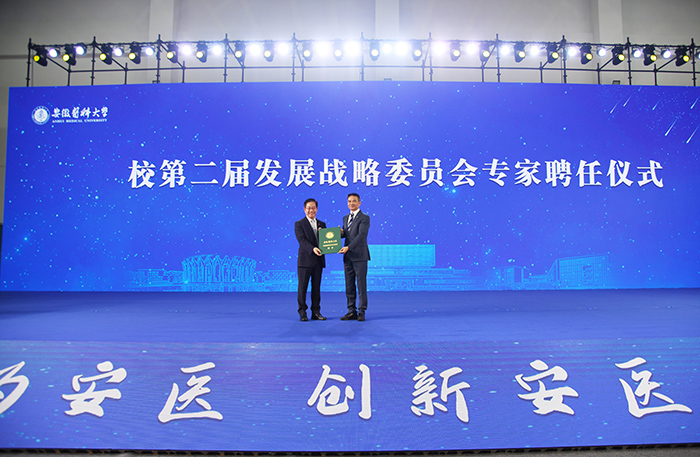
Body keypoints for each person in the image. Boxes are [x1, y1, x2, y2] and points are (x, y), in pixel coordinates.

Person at [339, 193, 371, 321]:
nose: (351, 203)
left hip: (360, 256)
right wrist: (338, 234)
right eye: (349, 201)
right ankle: (351, 310)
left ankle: (362, 311)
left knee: (361, 284)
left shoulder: (365, 218)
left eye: (354, 201)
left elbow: (361, 235)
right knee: (349, 284)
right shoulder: (345, 217)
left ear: (359, 203)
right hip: (348, 256)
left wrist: (348, 247)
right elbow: (347, 234)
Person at [294, 198, 326, 321]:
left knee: (316, 288)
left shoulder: (322, 224)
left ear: (317, 209)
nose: (311, 210)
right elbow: (302, 240)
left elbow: (326, 241)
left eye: (313, 208)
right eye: (308, 208)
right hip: (305, 261)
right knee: (302, 287)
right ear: (304, 209)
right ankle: (302, 312)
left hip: (318, 261)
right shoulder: (299, 224)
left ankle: (316, 312)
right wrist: (313, 249)